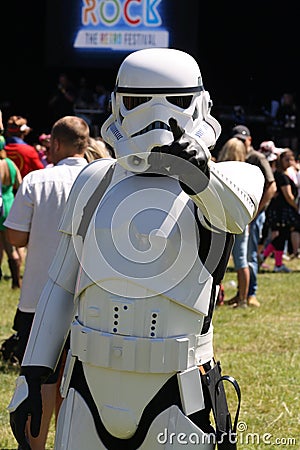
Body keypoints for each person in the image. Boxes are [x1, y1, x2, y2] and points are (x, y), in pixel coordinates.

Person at [8, 48, 264, 450]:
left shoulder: (230, 178)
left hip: (177, 390)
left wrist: (195, 172)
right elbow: (60, 285)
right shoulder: (94, 180)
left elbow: (234, 210)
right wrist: (33, 372)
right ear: (117, 104)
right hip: (86, 385)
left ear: (200, 105)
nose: (155, 116)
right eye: (138, 101)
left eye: (175, 102)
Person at [5, 116, 90, 450]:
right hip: (90, 300)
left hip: (40, 298)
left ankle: (36, 447)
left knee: (40, 379)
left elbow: (14, 236)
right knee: (80, 384)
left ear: (54, 144)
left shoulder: (38, 180)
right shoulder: (107, 178)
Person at [231, 125, 277, 307]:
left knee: (249, 254)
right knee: (241, 255)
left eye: (243, 140)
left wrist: (255, 212)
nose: (240, 143)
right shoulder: (237, 157)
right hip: (241, 214)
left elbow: (271, 186)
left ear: (249, 140)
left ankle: (251, 293)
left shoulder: (256, 158)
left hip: (254, 215)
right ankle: (241, 293)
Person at [217, 138, 249, 308]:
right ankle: (243, 299)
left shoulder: (220, 170)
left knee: (217, 260)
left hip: (221, 218)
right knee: (241, 260)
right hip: (242, 219)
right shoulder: (248, 172)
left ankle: (216, 297)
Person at [262, 149, 300, 272]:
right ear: (281, 160)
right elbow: (288, 196)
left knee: (282, 236)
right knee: (282, 236)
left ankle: (275, 262)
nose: (290, 162)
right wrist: (296, 207)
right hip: (282, 211)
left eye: (292, 159)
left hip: (280, 210)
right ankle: (266, 257)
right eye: (287, 159)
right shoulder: (282, 176)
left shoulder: (281, 174)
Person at [0, 134, 23, 287]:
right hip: (10, 203)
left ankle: (15, 280)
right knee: (9, 245)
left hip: (0, 206)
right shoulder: (10, 163)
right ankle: (16, 280)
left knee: (6, 247)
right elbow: (20, 184)